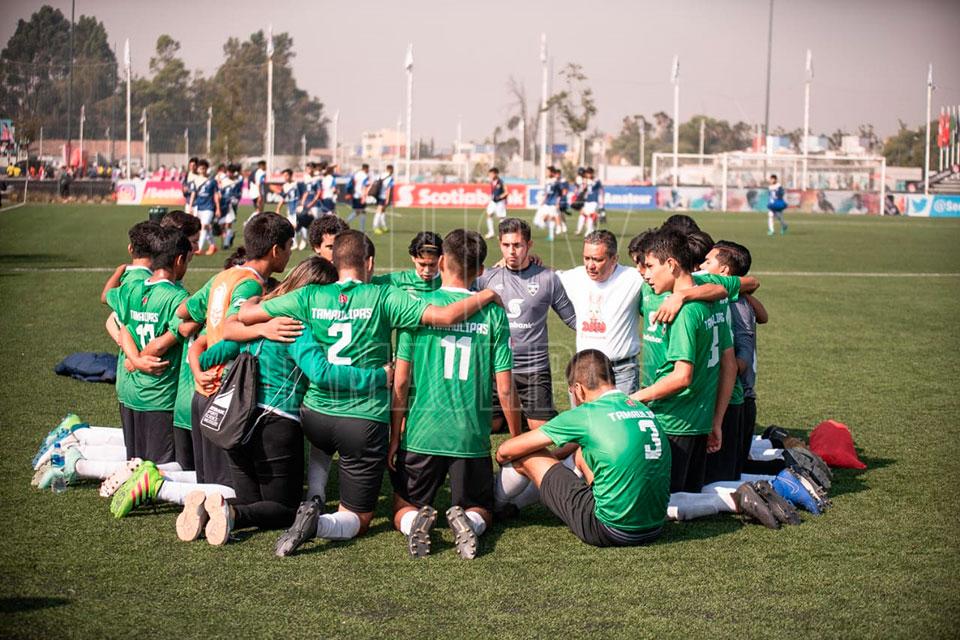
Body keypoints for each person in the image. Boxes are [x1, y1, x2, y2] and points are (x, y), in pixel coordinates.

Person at [235, 230, 503, 556]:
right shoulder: (384, 296)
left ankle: (315, 500)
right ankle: (319, 523)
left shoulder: (309, 295)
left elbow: (244, 316)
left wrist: (255, 306)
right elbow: (445, 316)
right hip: (362, 421)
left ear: (333, 262)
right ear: (370, 263)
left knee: (325, 449)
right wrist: (487, 295)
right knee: (358, 518)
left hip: (316, 417)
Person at [178, 256, 391, 545]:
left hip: (235, 422)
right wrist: (379, 376)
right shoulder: (296, 326)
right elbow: (321, 373)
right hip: (275, 424)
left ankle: (207, 509)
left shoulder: (259, 318)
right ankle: (230, 512)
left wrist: (197, 370)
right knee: (286, 510)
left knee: (255, 503)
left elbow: (210, 353)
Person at [389, 229, 521, 559]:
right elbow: (505, 387)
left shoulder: (416, 307)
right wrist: (516, 439)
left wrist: (395, 437)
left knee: (403, 505)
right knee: (481, 508)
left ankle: (415, 522)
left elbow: (401, 382)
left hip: (421, 432)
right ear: (480, 270)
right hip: (470, 435)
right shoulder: (493, 313)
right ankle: (468, 522)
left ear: (441, 261)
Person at [495, 350, 671, 547]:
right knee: (581, 453)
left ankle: (495, 506)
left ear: (578, 389)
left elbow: (506, 450)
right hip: (655, 526)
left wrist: (510, 460)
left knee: (529, 456)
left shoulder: (587, 413)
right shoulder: (641, 408)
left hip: (611, 529)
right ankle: (515, 505)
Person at [178, 213, 300, 488]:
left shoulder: (223, 276)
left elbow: (183, 311)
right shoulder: (250, 284)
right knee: (224, 489)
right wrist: (264, 328)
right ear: (275, 250)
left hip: (204, 388)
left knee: (207, 485)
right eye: (289, 247)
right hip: (225, 391)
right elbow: (231, 329)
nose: (290, 254)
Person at [630, 229, 736, 494]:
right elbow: (728, 365)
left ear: (671, 264)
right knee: (690, 501)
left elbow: (681, 377)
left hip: (673, 419)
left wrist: (635, 398)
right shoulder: (713, 302)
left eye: (651, 266)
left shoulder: (684, 312)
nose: (646, 274)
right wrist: (716, 421)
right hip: (700, 421)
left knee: (668, 503)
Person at [559, 230, 726, 395]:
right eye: (586, 258)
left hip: (621, 371)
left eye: (598, 259)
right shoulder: (574, 276)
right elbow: (547, 279)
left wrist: (682, 295)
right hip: (584, 370)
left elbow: (725, 287)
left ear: (614, 259)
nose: (590, 265)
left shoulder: (635, 278)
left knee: (623, 413)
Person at [476, 218, 576, 430]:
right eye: (506, 245)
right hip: (495, 368)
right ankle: (518, 414)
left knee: (540, 429)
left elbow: (572, 319)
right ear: (499, 244)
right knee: (489, 425)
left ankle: (534, 416)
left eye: (517, 245)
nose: (511, 251)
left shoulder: (548, 278)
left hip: (534, 369)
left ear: (529, 245)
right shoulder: (487, 277)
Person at [110, 226, 194, 466]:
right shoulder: (177, 297)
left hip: (130, 392)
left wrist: (134, 360)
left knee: (134, 464)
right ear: (179, 260)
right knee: (158, 470)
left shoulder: (133, 287)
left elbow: (123, 327)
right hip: (159, 395)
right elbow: (162, 344)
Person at [702, 240, 769, 476]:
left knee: (727, 475)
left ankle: (793, 471)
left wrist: (712, 368)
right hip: (728, 399)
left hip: (738, 401)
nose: (701, 266)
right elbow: (763, 316)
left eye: (707, 262)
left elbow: (743, 360)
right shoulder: (732, 297)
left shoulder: (737, 304)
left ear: (724, 271)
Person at [370, 231, 443, 296]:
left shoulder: (446, 283)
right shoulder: (398, 280)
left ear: (441, 259)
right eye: (422, 264)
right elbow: (365, 282)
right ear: (413, 258)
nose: (427, 270)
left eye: (432, 265)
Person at [188, 160, 221, 256]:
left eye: (204, 168)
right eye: (200, 168)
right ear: (198, 169)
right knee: (205, 228)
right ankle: (213, 245)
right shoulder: (195, 181)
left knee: (204, 225)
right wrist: (190, 206)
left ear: (206, 169)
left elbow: (216, 195)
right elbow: (193, 194)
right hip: (199, 207)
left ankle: (199, 248)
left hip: (209, 207)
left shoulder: (212, 181)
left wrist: (218, 208)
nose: (202, 170)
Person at [277, 168, 307, 250]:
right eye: (284, 176)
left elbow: (305, 193)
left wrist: (302, 204)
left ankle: (304, 240)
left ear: (290, 176)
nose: (285, 177)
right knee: (290, 226)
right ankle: (295, 243)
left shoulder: (297, 184)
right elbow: (283, 198)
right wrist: (278, 208)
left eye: (286, 175)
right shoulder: (285, 186)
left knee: (298, 225)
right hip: (290, 209)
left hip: (297, 208)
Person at [484, 167, 508, 239]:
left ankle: (502, 234)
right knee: (489, 214)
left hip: (500, 202)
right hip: (493, 202)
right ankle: (491, 233)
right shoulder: (491, 182)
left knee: (501, 218)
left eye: (491, 174)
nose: (490, 176)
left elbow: (506, 192)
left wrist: (500, 196)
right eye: (489, 174)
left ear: (496, 174)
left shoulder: (501, 182)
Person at [371, 165, 395, 234]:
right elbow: (389, 189)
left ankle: (383, 226)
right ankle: (375, 227)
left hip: (378, 194)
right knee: (379, 211)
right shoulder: (390, 178)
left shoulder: (381, 175)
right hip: (383, 196)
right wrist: (387, 198)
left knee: (382, 211)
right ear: (391, 170)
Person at [346, 163, 370, 231]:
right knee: (362, 212)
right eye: (368, 169)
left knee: (358, 212)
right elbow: (365, 186)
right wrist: (364, 197)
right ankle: (361, 229)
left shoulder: (356, 174)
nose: (368, 170)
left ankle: (346, 222)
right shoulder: (365, 176)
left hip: (355, 195)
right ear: (366, 168)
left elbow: (351, 183)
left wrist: (349, 193)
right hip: (361, 195)